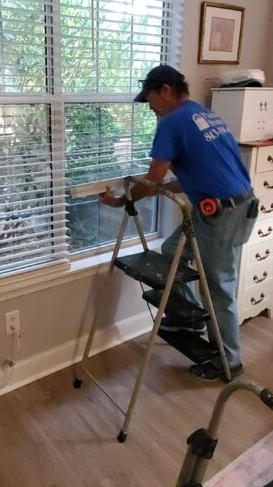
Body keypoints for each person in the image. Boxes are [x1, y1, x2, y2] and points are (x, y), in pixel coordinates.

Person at [100, 64, 257, 382]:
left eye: (150, 100)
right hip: (230, 206)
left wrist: (120, 201)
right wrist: (162, 188)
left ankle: (228, 360)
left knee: (218, 287)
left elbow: (153, 179)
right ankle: (191, 319)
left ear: (166, 90)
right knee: (172, 253)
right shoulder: (201, 114)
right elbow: (197, 172)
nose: (151, 108)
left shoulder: (172, 122)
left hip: (223, 214)